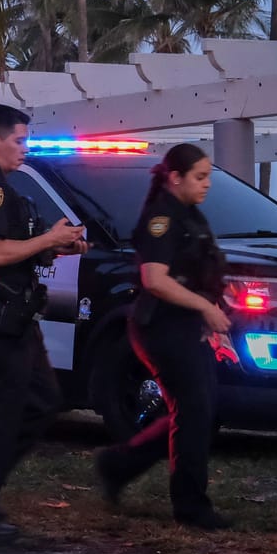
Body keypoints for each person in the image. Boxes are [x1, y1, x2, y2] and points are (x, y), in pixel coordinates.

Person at [0, 103, 88, 543]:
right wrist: (48, 239)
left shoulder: (3, 189)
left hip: (17, 312)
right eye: (20, 141)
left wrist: (60, 245)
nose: (25, 149)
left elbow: (18, 246)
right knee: (4, 413)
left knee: (43, 403)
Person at [94, 144, 234, 531]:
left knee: (197, 412)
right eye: (199, 177)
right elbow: (154, 280)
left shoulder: (191, 215)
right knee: (195, 411)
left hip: (187, 326)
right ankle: (191, 507)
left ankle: (119, 464)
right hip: (162, 327)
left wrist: (212, 308)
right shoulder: (161, 218)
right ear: (175, 178)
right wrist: (205, 309)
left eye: (208, 177)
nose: (206, 185)